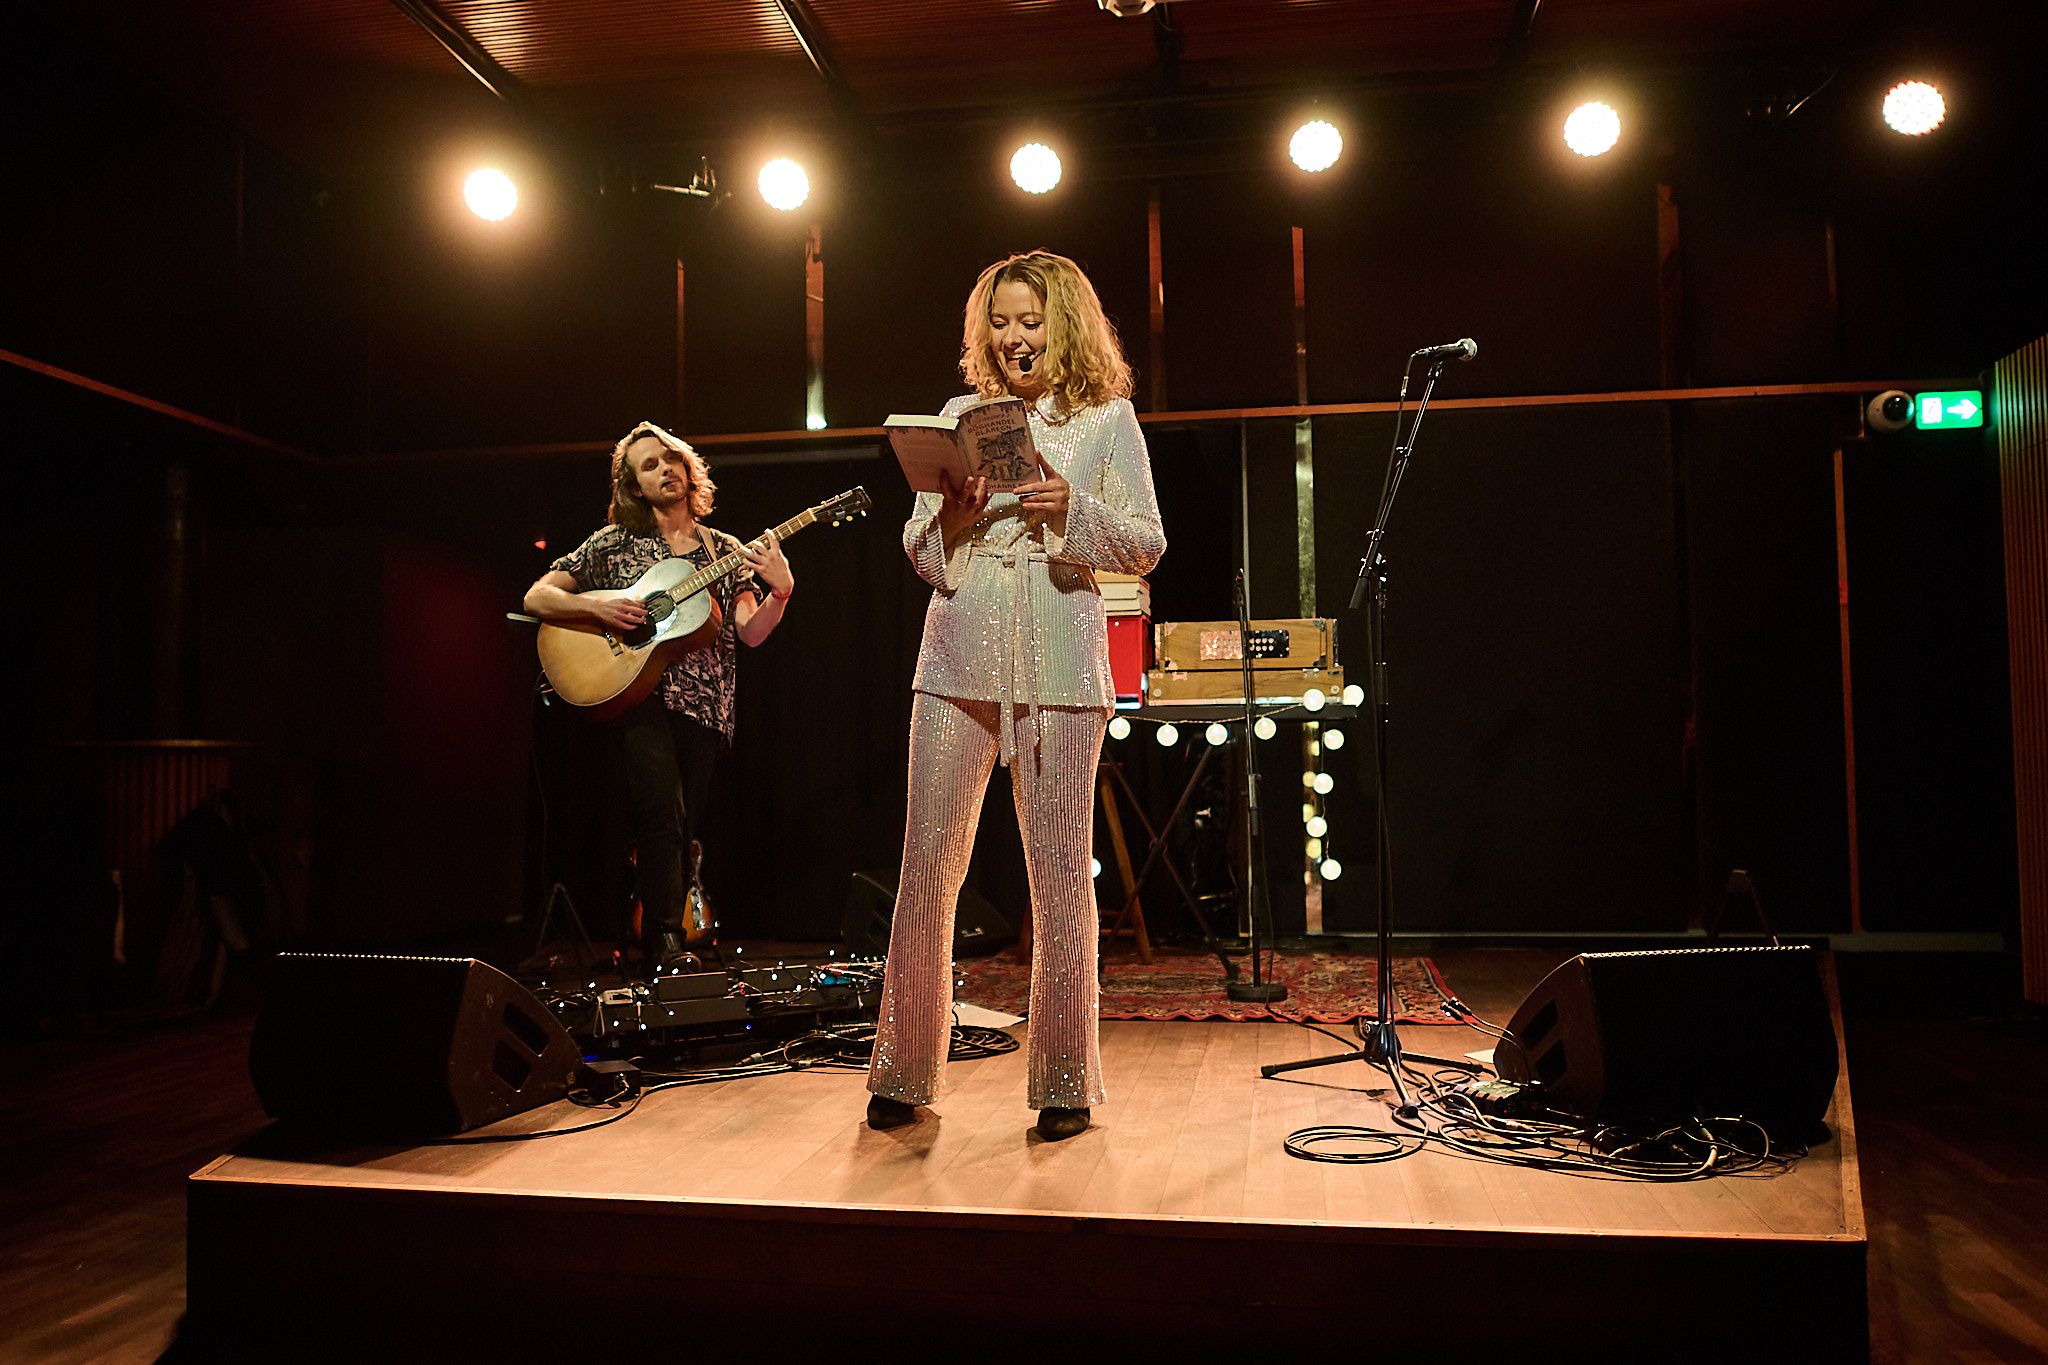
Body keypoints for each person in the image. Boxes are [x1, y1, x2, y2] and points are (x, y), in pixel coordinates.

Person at [866, 250, 1166, 1142]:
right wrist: (953, 516)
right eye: (998, 323)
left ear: (1063, 323)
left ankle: (1065, 1080)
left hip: (1061, 654)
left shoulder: (1108, 419)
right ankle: (902, 1071)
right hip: (957, 648)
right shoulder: (961, 417)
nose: (1012, 337)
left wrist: (1072, 507)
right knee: (928, 865)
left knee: (1061, 872)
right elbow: (923, 552)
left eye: (1029, 321)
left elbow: (1147, 542)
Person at [524, 421, 793, 973]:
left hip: (706, 704)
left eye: (671, 458)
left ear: (689, 470)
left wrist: (782, 592)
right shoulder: (612, 544)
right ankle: (666, 940)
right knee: (661, 811)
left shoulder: (724, 550)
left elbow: (750, 631)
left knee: (683, 825)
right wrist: (598, 607)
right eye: (649, 465)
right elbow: (537, 597)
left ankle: (650, 919)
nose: (665, 469)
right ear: (634, 486)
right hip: (640, 695)